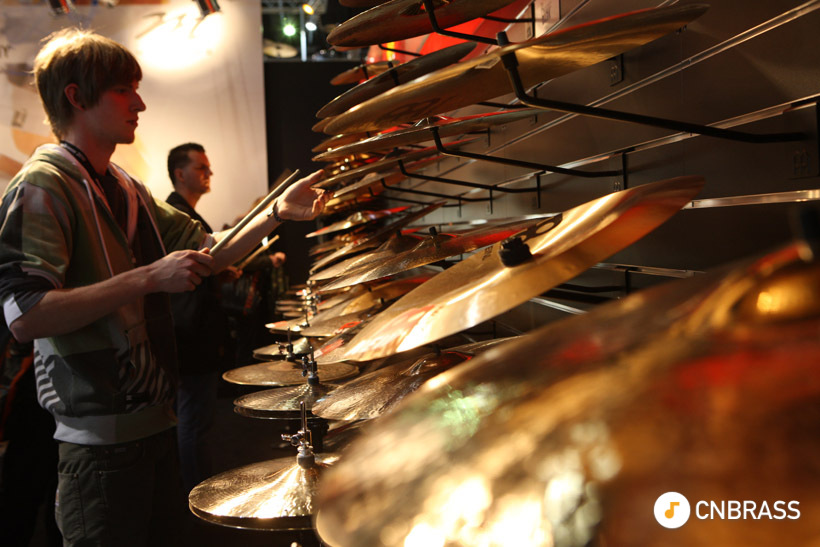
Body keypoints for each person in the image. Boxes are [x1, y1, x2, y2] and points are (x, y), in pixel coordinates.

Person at [0, 28, 327, 545]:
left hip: (154, 425)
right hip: (98, 444)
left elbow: (208, 253)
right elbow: (26, 313)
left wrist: (276, 215)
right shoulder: (44, 183)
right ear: (76, 96)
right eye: (124, 90)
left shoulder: (126, 186)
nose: (140, 104)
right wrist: (151, 276)